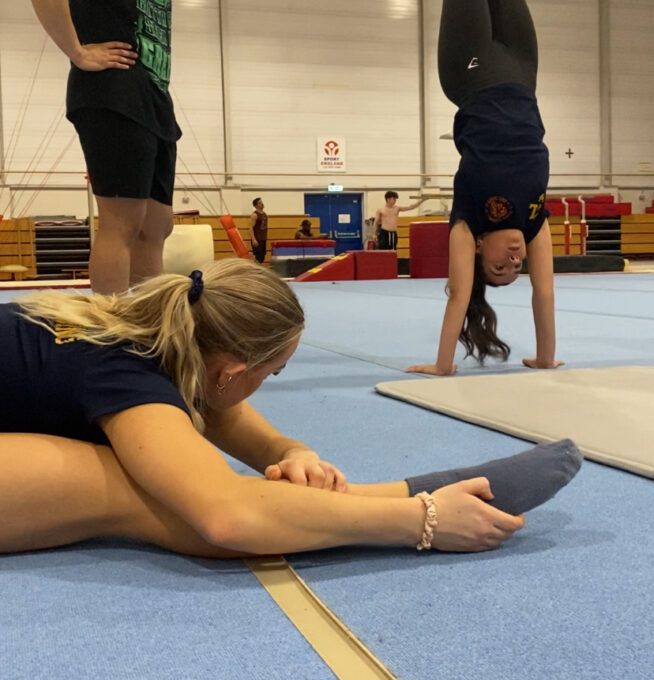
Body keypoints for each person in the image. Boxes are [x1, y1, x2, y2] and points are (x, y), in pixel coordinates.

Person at [0, 259, 582, 559]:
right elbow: (228, 517)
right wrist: (422, 523)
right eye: (269, 374)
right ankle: (422, 494)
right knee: (136, 496)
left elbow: (213, 405)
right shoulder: (125, 373)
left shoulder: (144, 332)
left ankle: (415, 491)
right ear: (232, 370)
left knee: (173, 488)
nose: (266, 386)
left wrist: (287, 451)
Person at [408, 0, 562, 378]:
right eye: (513, 269)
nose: (515, 261)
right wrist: (545, 358)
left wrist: (444, 365)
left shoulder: (468, 220)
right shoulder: (533, 219)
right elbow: (545, 295)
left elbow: (456, 295)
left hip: (469, 75)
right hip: (522, 74)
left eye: (500, 267)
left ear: (479, 253)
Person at [22, 0, 199, 295]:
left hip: (153, 102)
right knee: (121, 222)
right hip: (113, 98)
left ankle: (147, 331)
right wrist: (78, 51)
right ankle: (109, 338)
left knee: (157, 226)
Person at [250, 197, 268, 263]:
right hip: (257, 239)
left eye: (262, 202)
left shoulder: (264, 214)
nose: (262, 204)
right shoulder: (254, 215)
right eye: (260, 203)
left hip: (263, 238)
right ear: (256, 205)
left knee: (262, 257)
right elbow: (251, 227)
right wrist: (253, 239)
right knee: (258, 257)